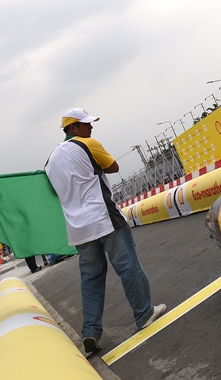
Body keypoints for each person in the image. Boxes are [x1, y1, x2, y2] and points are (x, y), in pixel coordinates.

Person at [45, 108, 166, 358]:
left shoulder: (50, 161)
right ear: (73, 128)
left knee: (90, 279)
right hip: (103, 218)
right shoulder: (87, 144)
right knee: (128, 264)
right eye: (86, 124)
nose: (91, 128)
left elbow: (56, 192)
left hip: (78, 229)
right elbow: (113, 167)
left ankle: (91, 332)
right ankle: (144, 313)